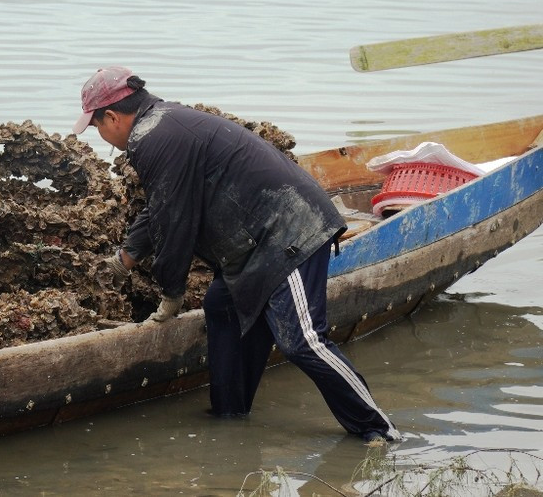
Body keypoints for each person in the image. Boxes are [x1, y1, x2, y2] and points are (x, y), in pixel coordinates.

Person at [72, 66, 401, 442]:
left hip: (289, 233)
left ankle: (379, 430)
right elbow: (163, 206)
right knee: (221, 307)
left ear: (111, 117)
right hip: (253, 246)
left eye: (96, 127)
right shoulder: (165, 123)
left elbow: (174, 222)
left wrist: (171, 292)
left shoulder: (152, 136)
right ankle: (230, 416)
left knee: (302, 342)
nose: (101, 136)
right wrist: (124, 260)